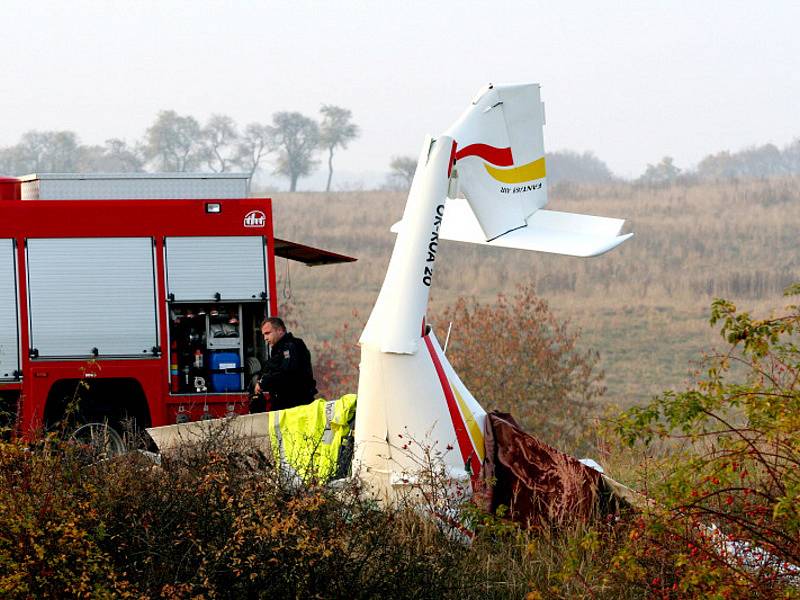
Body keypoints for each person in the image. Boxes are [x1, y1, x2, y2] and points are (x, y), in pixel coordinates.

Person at [252, 317, 317, 412]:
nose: (265, 338)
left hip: (296, 404)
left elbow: (287, 373)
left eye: (267, 333)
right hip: (284, 402)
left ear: (280, 330)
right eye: (263, 335)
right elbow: (271, 368)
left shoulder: (291, 346)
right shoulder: (278, 350)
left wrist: (264, 382)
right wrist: (260, 381)